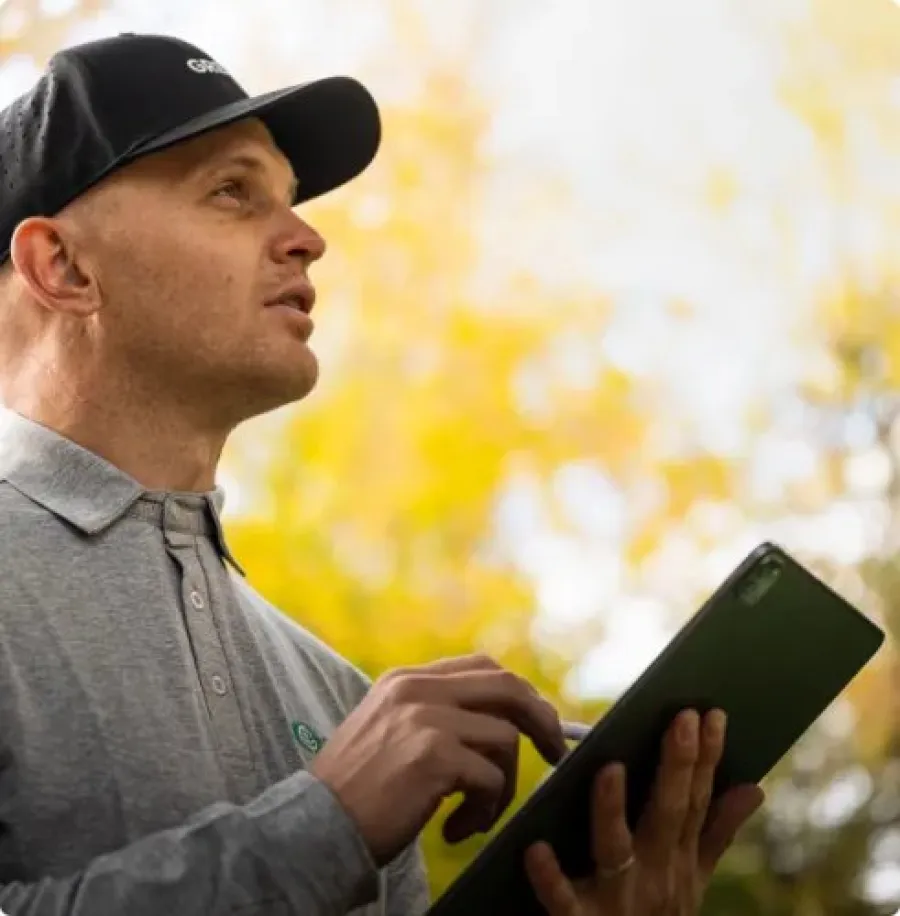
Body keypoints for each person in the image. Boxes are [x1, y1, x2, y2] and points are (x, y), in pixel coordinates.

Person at [0, 31, 764, 916]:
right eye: (232, 192)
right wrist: (327, 827)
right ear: (62, 266)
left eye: (287, 201)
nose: (307, 238)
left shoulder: (335, 697)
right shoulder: (363, 760)